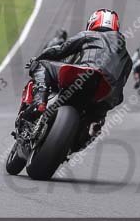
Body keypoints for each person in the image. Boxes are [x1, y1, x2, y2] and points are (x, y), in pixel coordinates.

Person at [24, 9, 132, 139]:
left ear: (93, 22)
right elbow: (121, 88)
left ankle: (39, 103)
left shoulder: (89, 35)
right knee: (93, 124)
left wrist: (38, 58)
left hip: (84, 74)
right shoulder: (127, 58)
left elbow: (61, 49)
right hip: (105, 95)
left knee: (41, 65)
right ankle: (88, 132)